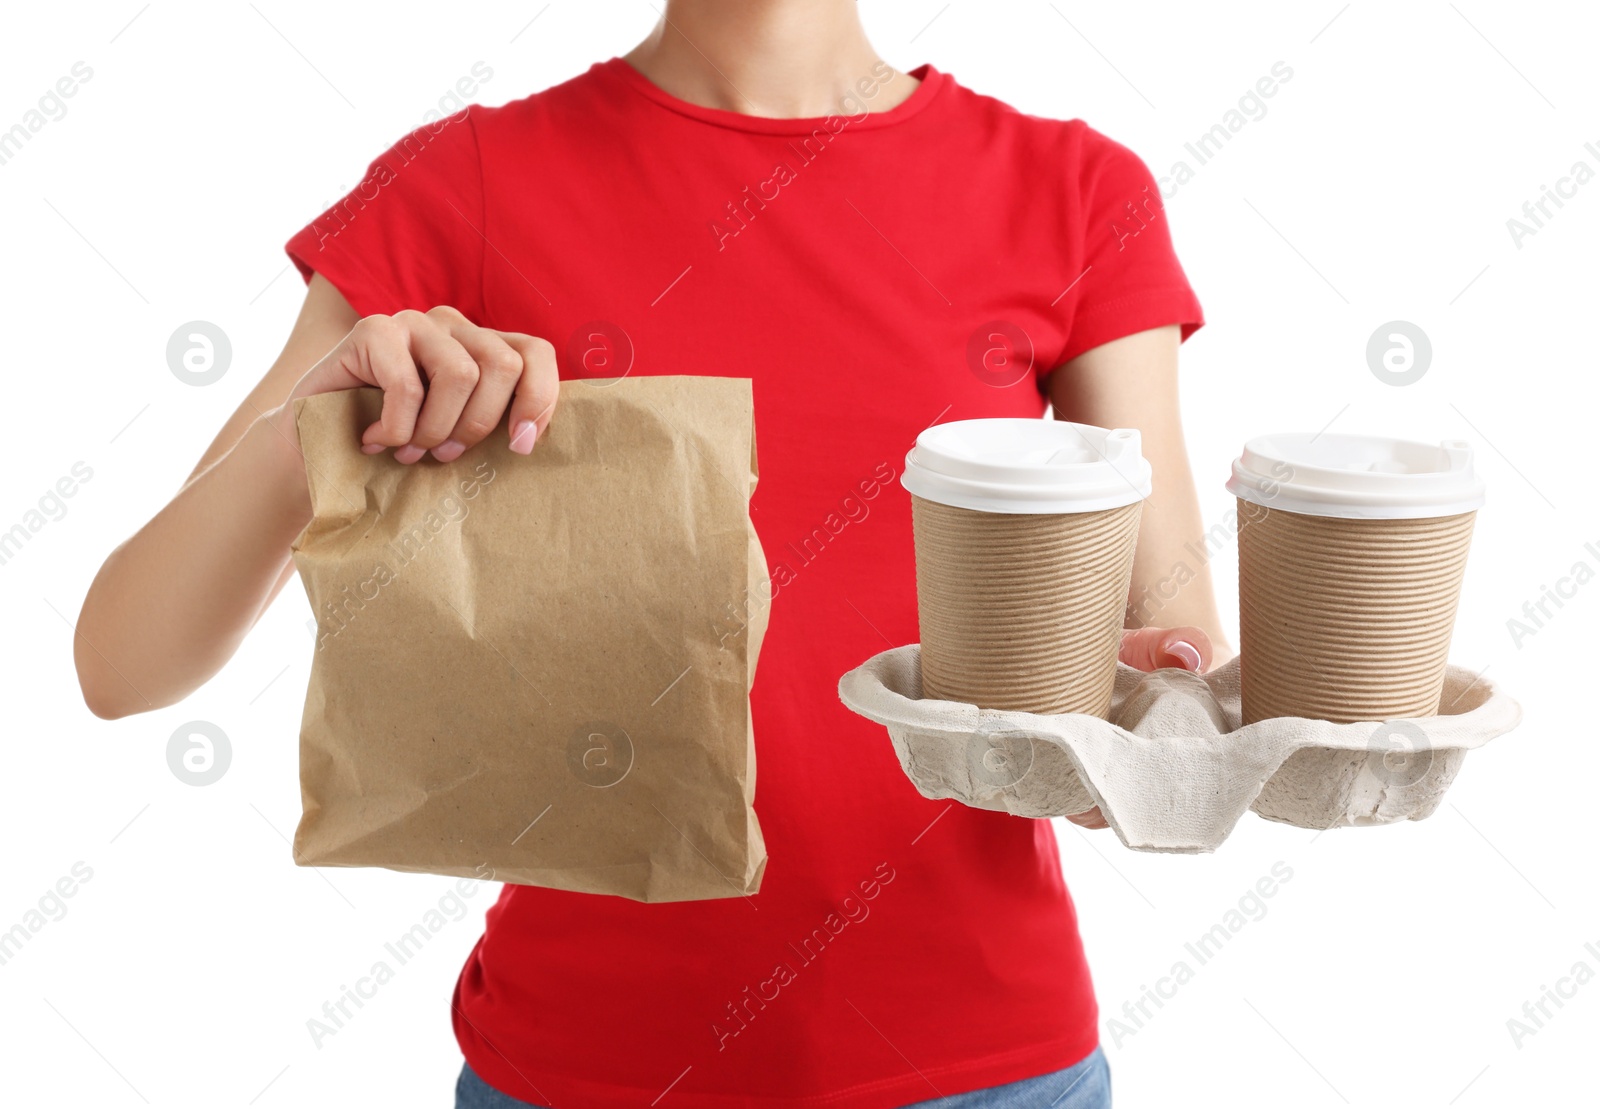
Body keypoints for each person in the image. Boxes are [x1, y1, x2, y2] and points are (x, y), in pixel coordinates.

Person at [75, 1, 1230, 1106]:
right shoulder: (463, 182)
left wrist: (1132, 726)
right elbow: (125, 663)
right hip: (578, 1067)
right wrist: (314, 428)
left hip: (991, 1063)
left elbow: (1173, 673)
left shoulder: (1077, 192)